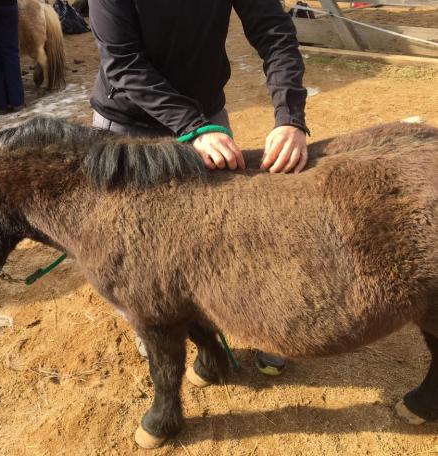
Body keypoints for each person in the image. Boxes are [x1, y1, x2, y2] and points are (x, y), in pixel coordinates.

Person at [88, 0, 309, 375]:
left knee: (228, 235)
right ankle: (154, 321)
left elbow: (274, 31)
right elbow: (124, 61)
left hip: (204, 111)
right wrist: (193, 126)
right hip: (129, 123)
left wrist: (290, 117)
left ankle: (262, 326)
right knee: (134, 247)